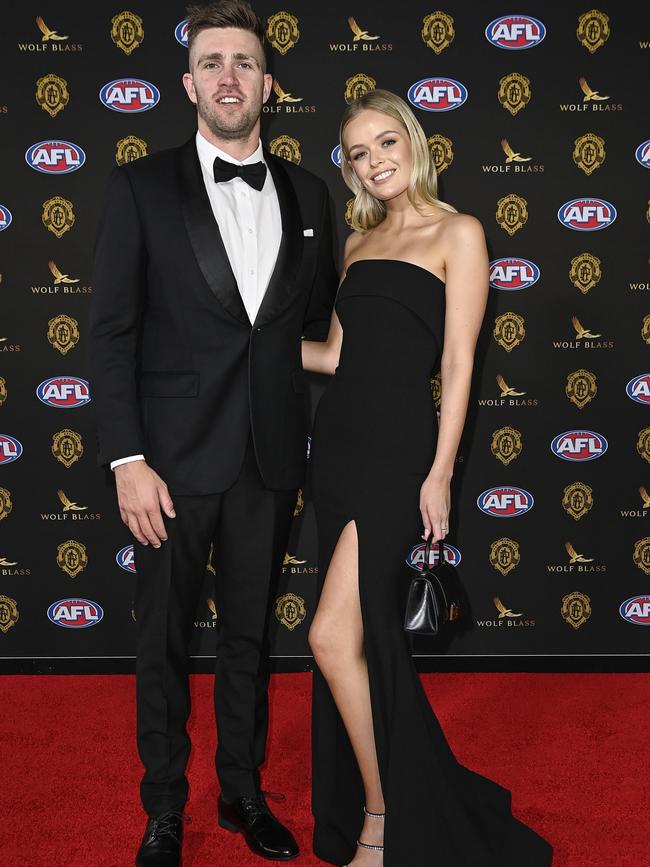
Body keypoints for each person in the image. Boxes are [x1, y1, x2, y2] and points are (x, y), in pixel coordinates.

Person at [88, 2, 337, 864]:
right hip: (167, 467)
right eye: (211, 62)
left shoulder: (311, 193)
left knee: (249, 639)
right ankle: (164, 807)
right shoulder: (140, 186)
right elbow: (112, 334)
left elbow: (308, 331)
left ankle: (242, 792)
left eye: (244, 62)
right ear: (188, 81)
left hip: (269, 460)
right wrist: (127, 460)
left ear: (270, 84)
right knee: (159, 642)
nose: (228, 76)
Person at [301, 89, 553, 866]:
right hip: (337, 444)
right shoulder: (356, 244)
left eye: (385, 143)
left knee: (331, 634)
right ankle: (398, 797)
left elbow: (458, 362)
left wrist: (441, 471)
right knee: (365, 635)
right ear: (347, 167)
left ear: (413, 142)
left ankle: (382, 817)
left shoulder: (459, 231)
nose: (374, 161)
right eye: (357, 153)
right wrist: (252, 342)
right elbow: (338, 356)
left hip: (399, 450)